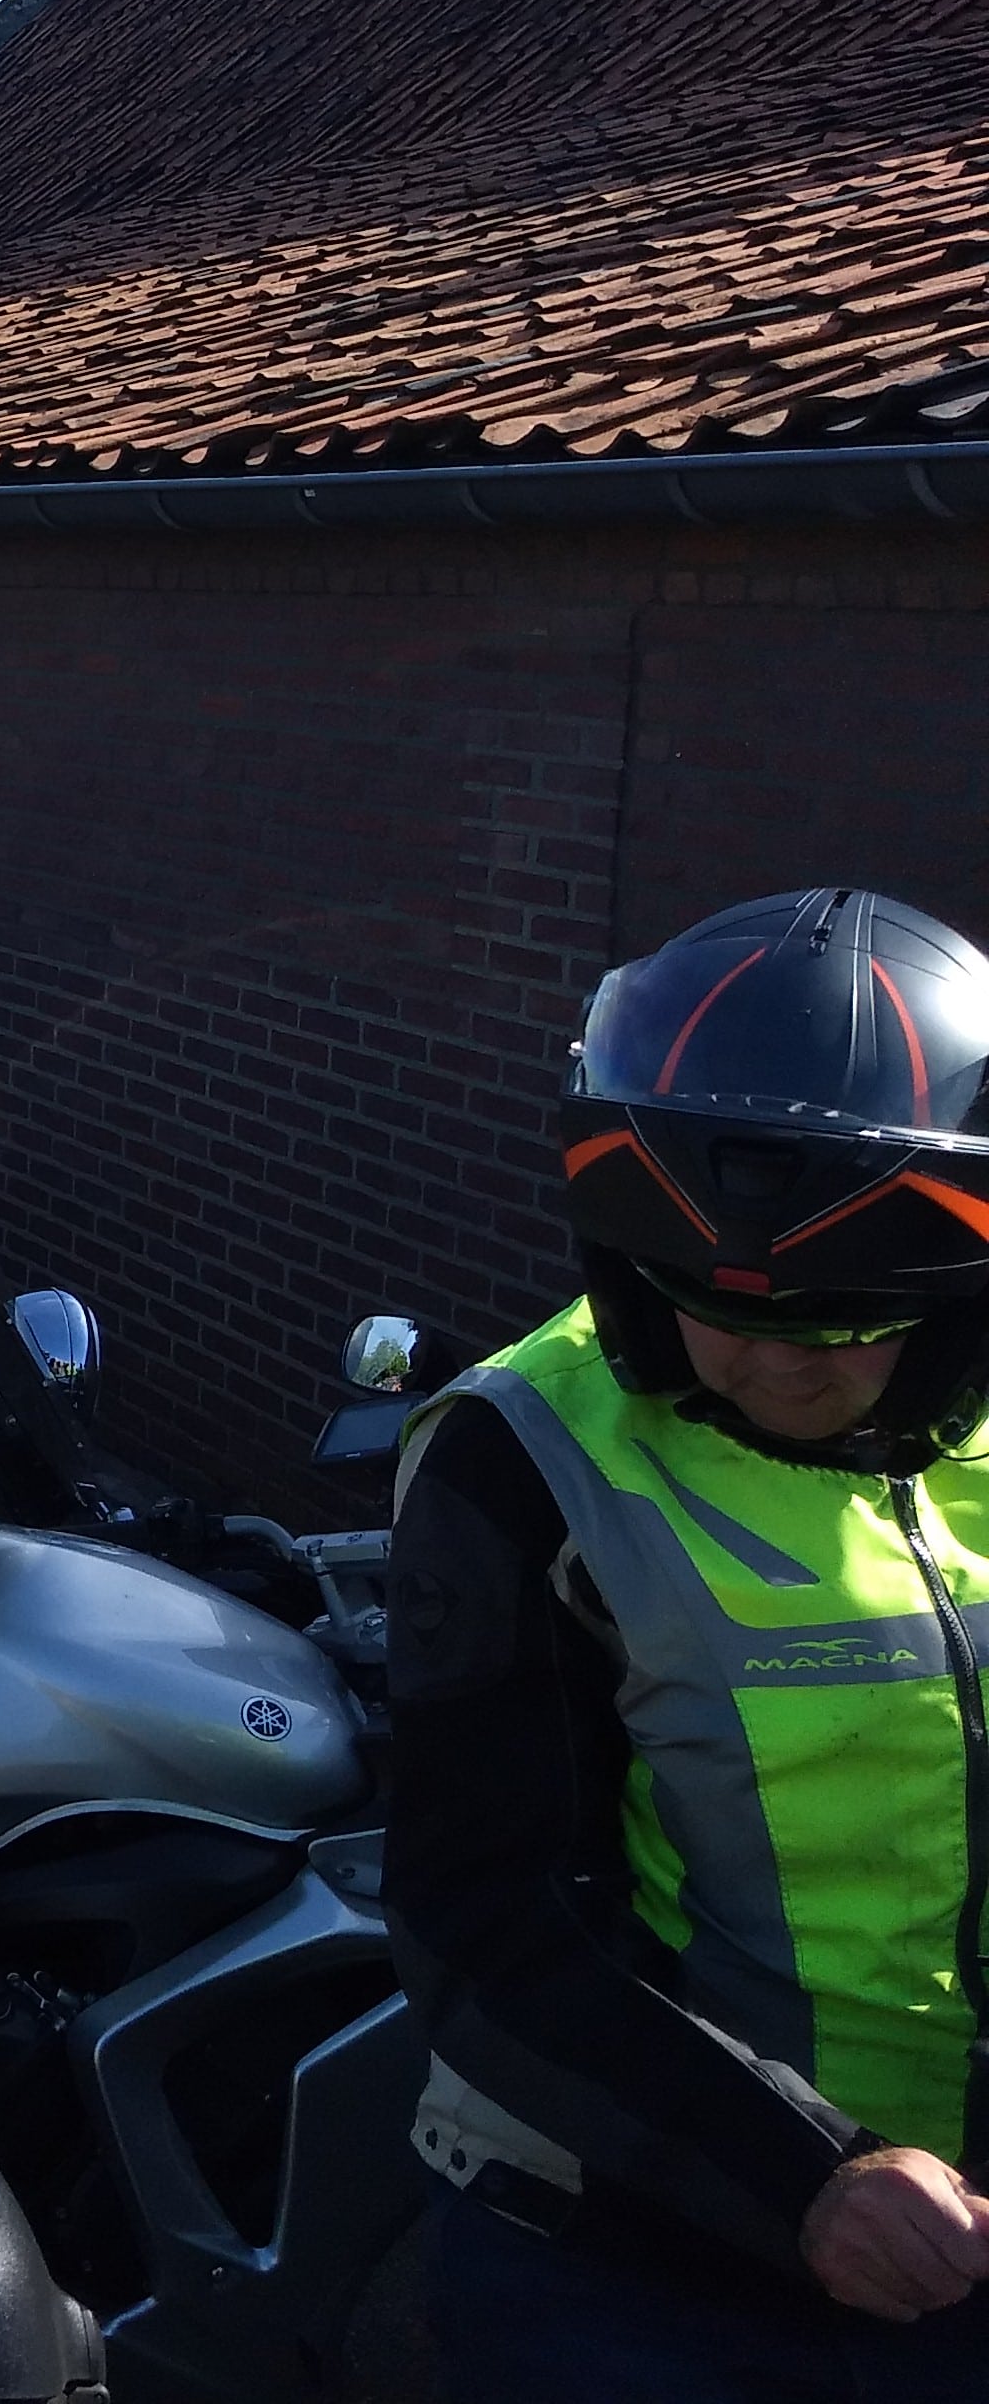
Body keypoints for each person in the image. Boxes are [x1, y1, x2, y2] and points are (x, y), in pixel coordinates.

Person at [388, 887, 989, 2400]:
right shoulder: (528, 1454)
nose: (773, 1359)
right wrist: (807, 2173)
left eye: (844, 1317)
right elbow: (482, 1907)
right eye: (708, 1301)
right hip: (647, 2245)